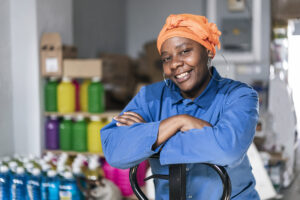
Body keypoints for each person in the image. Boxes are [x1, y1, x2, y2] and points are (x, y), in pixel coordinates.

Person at [101, 14, 260, 199]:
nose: (175, 64)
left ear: (208, 51)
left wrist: (149, 138)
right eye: (166, 58)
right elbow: (115, 150)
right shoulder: (150, 97)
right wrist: (180, 122)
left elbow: (228, 150)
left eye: (184, 51)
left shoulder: (239, 95)